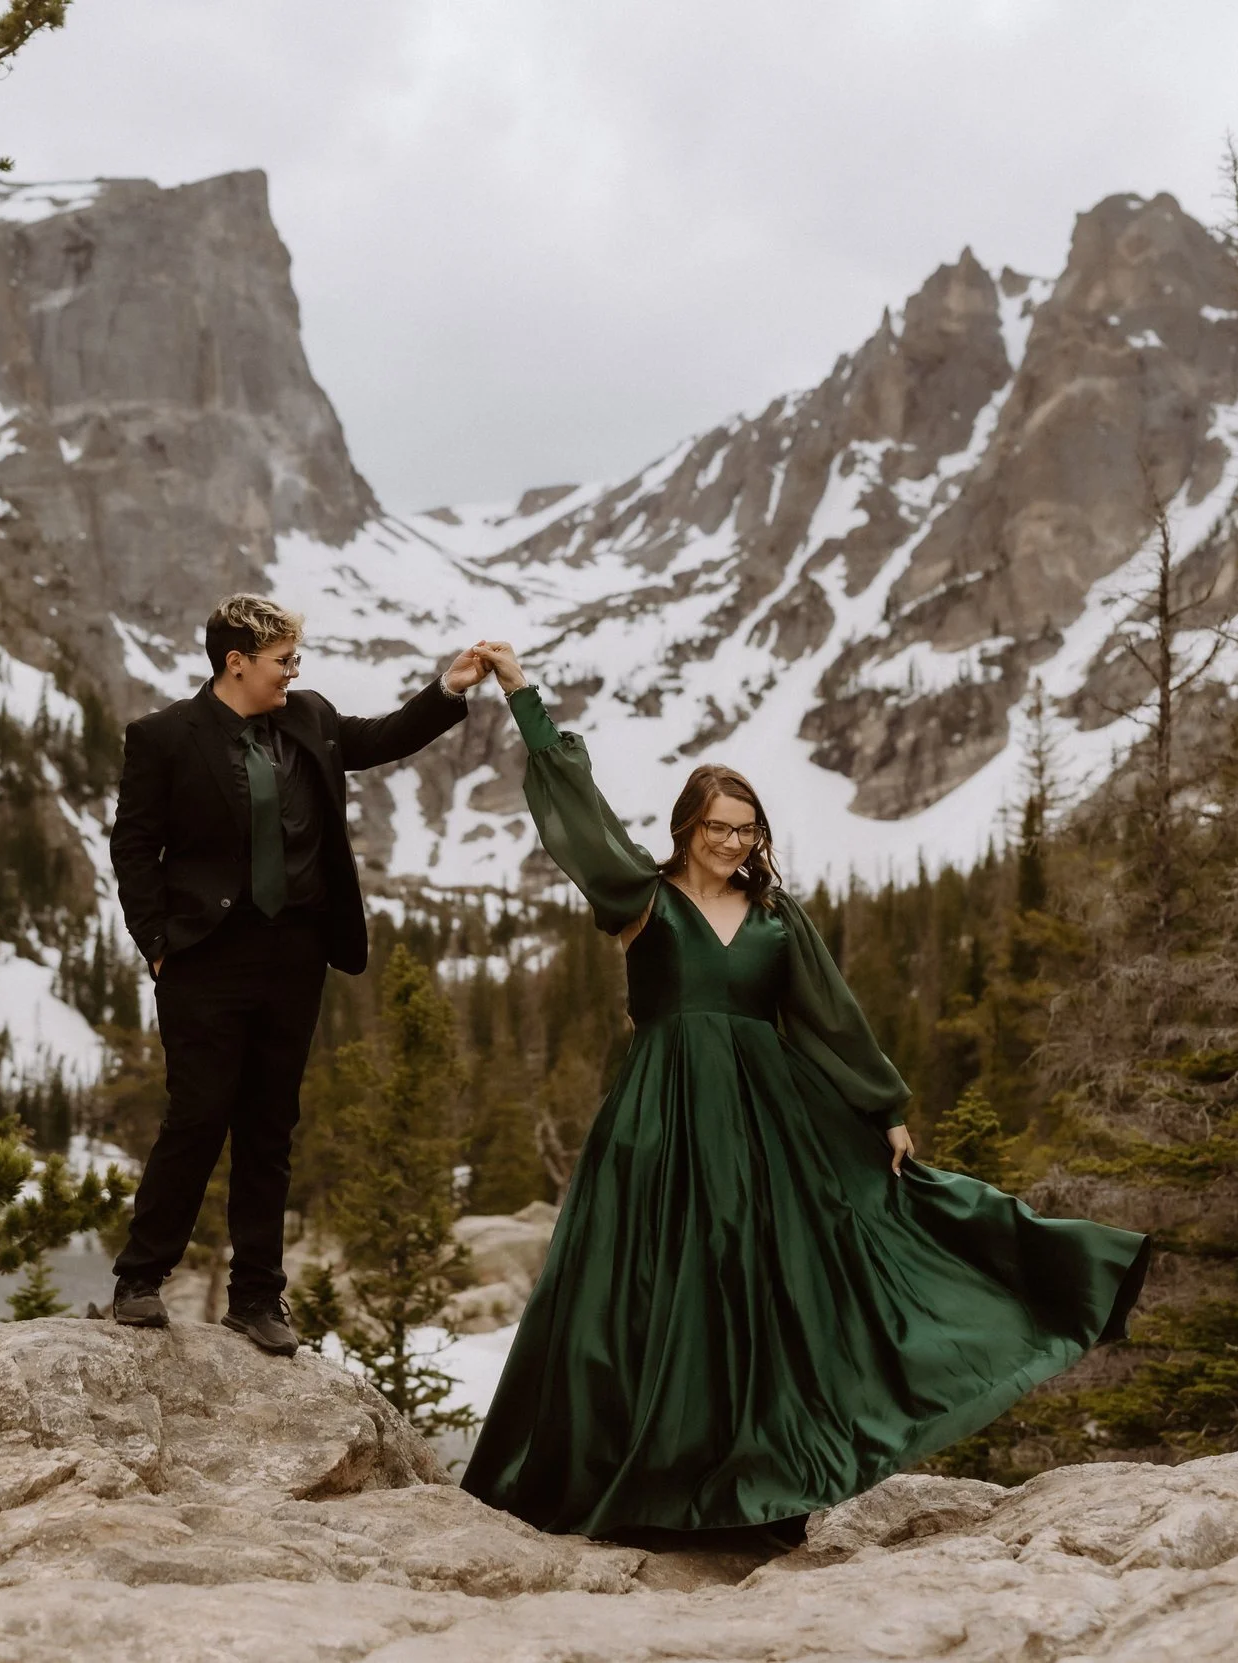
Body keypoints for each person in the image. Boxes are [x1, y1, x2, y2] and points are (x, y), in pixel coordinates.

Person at [459, 641, 1150, 1541]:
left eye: (747, 828)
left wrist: (884, 1109)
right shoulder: (640, 898)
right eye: (718, 826)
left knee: (762, 1285)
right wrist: (525, 698)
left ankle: (751, 1484)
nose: (734, 842)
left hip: (764, 1123)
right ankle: (641, 1482)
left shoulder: (780, 918)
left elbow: (830, 1017)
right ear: (686, 827)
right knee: (639, 1295)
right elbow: (579, 817)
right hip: (660, 1120)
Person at [106, 594, 490, 1355]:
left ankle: (255, 1298)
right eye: (282, 660)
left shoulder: (308, 716)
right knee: (198, 1114)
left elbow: (382, 738)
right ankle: (140, 1280)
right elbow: (133, 847)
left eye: (295, 660)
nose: (293, 672)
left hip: (295, 957)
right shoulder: (163, 739)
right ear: (235, 662)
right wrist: (156, 943)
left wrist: (449, 688)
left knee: (269, 1127)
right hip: (205, 958)